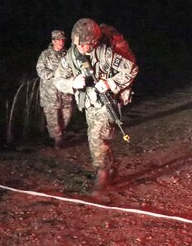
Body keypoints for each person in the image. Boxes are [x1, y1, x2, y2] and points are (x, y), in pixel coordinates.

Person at [54, 18, 138, 192]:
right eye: (80, 44)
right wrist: (72, 83)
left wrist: (110, 83)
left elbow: (131, 70)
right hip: (88, 103)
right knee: (99, 137)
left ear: (95, 42)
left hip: (107, 101)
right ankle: (111, 168)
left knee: (96, 136)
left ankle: (103, 173)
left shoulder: (107, 53)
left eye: (87, 44)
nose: (83, 48)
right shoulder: (71, 55)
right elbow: (58, 79)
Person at [36, 30, 74, 149]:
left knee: (66, 116)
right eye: (58, 40)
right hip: (50, 92)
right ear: (53, 41)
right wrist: (54, 74)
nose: (61, 42)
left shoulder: (68, 54)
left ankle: (60, 133)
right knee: (52, 117)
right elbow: (40, 69)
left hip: (65, 93)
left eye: (62, 40)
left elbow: (74, 69)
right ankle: (57, 139)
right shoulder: (45, 55)